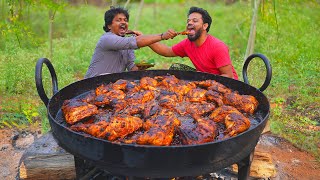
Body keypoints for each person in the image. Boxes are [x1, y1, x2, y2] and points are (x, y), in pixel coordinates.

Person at [85, 6, 176, 78]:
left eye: (125, 20)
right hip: (93, 83)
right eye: (118, 20)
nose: (123, 22)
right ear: (109, 26)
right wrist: (162, 36)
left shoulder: (126, 45)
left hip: (112, 85)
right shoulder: (107, 39)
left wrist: (142, 66)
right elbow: (134, 41)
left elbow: (132, 68)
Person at [149, 6, 239, 80]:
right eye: (188, 21)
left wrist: (204, 82)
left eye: (195, 21)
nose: (189, 23)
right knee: (176, 69)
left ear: (205, 26)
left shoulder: (217, 46)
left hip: (226, 86)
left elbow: (228, 77)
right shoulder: (187, 44)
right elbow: (167, 51)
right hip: (205, 79)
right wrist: (146, 40)